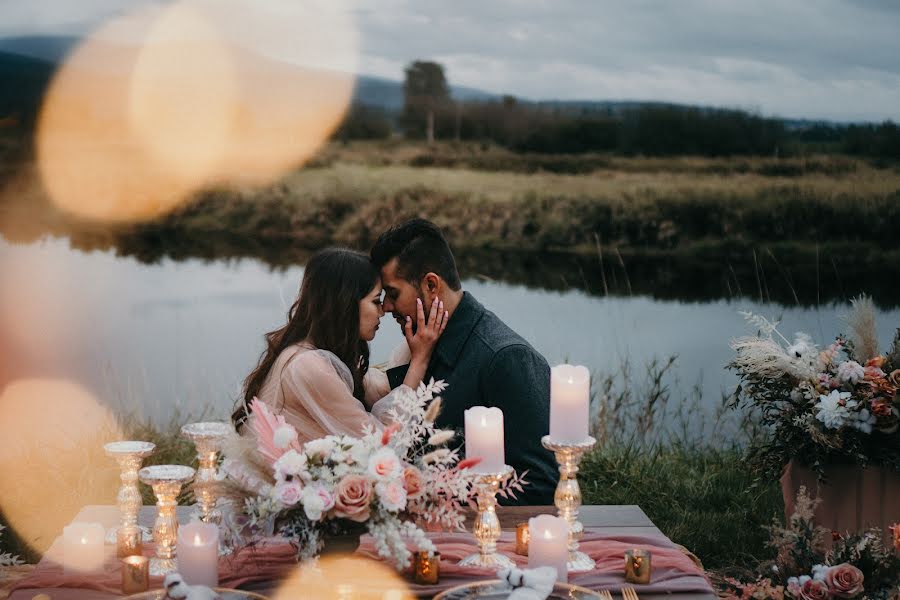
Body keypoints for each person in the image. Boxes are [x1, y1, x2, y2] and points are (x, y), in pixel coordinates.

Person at [371, 219, 557, 505]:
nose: (386, 307)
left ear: (431, 284)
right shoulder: (420, 347)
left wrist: (436, 498)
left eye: (393, 293)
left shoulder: (507, 359)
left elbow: (541, 486)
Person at [231, 247, 447, 444]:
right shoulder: (309, 366)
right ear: (346, 304)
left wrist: (417, 340)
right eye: (375, 301)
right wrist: (420, 360)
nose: (383, 311)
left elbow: (377, 387)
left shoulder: (313, 351)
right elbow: (382, 443)